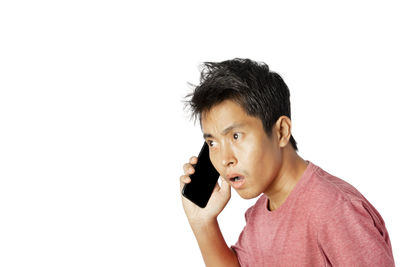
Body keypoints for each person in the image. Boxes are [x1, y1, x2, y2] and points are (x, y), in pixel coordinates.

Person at [179, 58, 395, 266]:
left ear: (281, 131)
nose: (225, 159)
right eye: (212, 143)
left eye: (236, 136)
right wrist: (202, 224)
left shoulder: (336, 211)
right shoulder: (260, 214)